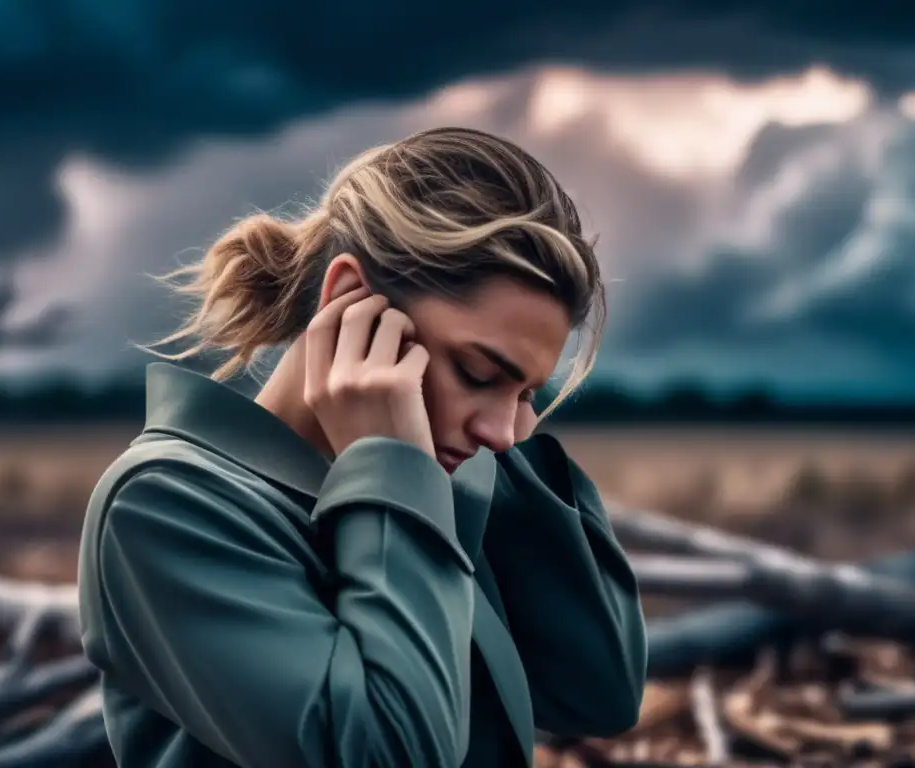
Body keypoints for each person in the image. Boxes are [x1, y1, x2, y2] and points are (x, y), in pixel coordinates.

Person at [77, 126, 647, 768]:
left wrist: (479, 444)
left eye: (526, 394)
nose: (503, 433)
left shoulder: (442, 483)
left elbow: (599, 692)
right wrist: (392, 470)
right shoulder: (164, 504)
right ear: (352, 299)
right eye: (479, 373)